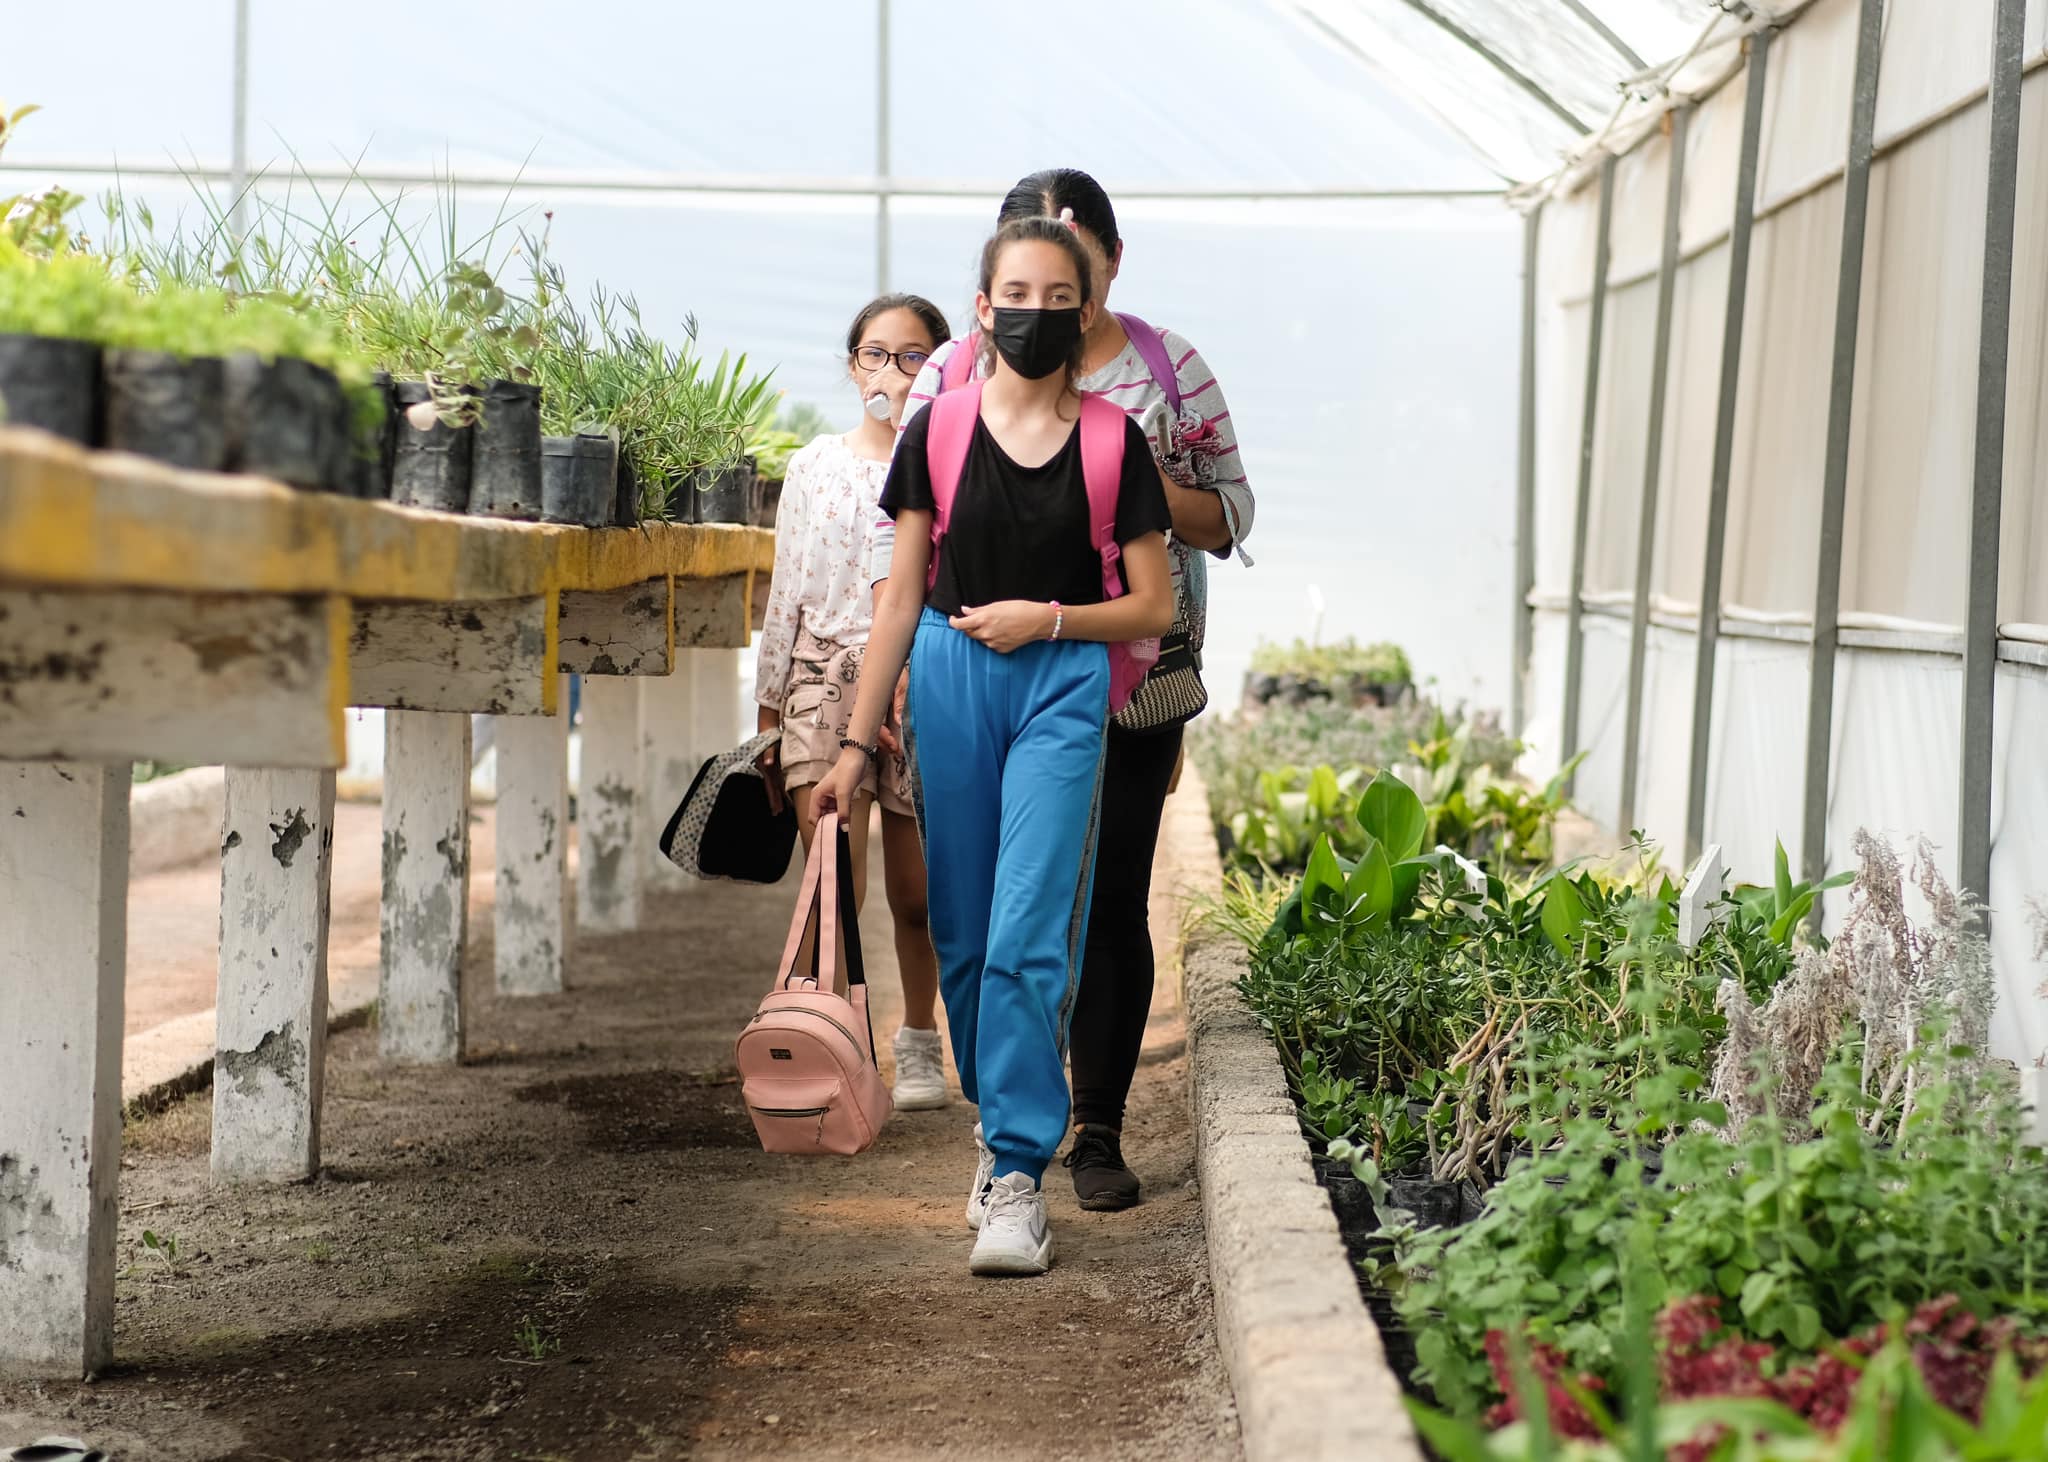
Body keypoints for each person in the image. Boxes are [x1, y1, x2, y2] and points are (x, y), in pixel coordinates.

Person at [874, 169, 1255, 1211]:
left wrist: (1116, 467)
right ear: (992, 279)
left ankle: (1092, 1128)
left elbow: (1227, 515)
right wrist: (897, 677)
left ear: (1102, 273)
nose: (1041, 299)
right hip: (975, 667)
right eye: (1021, 269)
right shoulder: (950, 377)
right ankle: (1013, 1117)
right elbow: (902, 541)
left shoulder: (1166, 371)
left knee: (1103, 900)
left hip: (1133, 675)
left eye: (1070, 270)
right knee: (991, 909)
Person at [814, 216, 1176, 1276]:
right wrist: (850, 741)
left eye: (1055, 295)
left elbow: (1150, 601)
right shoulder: (939, 429)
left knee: (1026, 935)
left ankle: (1018, 1173)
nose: (1032, 311)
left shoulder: (1116, 440)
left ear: (1083, 310)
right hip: (949, 674)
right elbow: (899, 600)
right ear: (980, 310)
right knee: (966, 942)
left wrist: (1049, 619)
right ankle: (994, 1122)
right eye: (1012, 292)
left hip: (1060, 682)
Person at [753, 293, 951, 1110]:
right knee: (835, 880)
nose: (891, 372)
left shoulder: (949, 458)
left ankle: (920, 1043)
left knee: (915, 892)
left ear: (939, 368)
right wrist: (769, 713)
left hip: (918, 677)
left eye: (912, 357)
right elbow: (785, 592)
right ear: (851, 365)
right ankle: (839, 1051)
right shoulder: (815, 464)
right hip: (818, 681)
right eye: (875, 354)